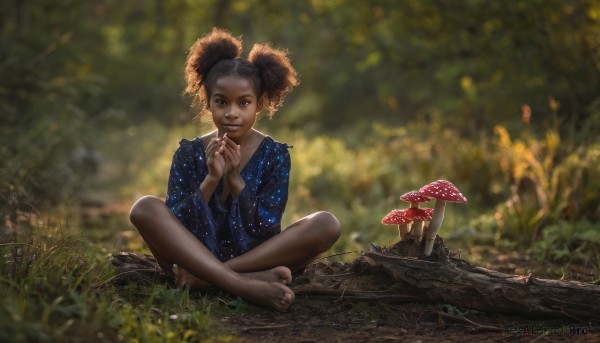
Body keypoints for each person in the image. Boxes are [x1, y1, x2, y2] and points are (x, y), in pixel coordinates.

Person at [129, 27, 342, 312]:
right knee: (144, 208)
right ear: (208, 103)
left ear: (259, 105)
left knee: (327, 223)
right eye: (221, 102)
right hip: (189, 259)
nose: (232, 113)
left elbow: (267, 228)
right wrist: (212, 179)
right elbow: (177, 225)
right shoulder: (189, 152)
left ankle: (208, 279)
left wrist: (235, 180)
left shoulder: (275, 155)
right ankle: (242, 283)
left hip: (253, 256)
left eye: (243, 103)